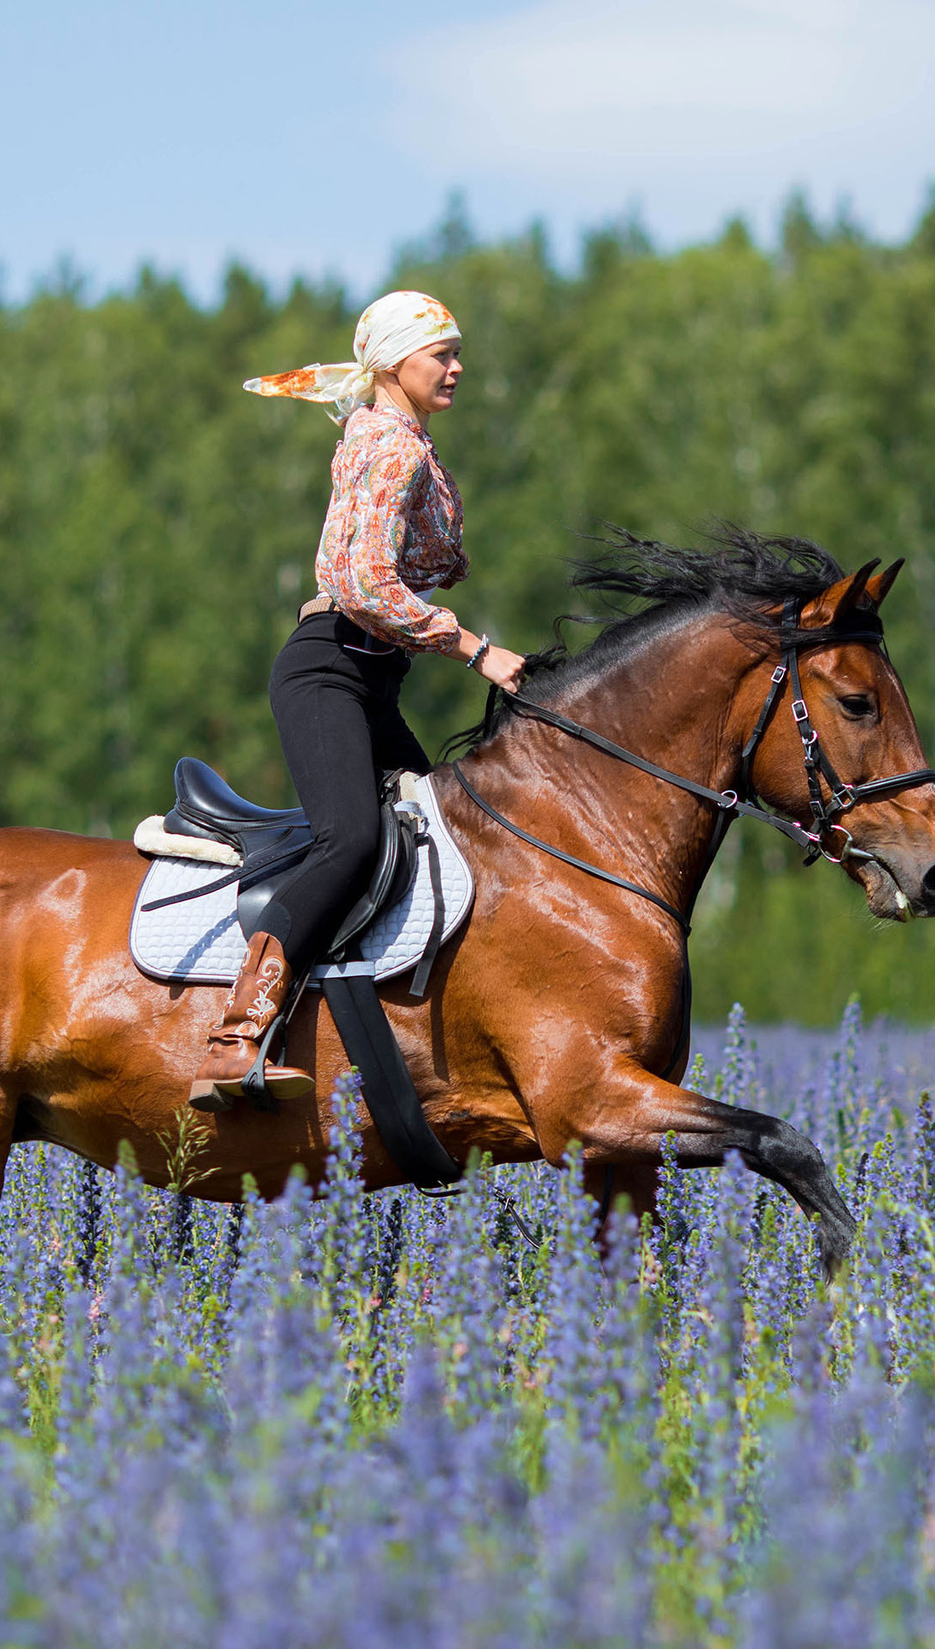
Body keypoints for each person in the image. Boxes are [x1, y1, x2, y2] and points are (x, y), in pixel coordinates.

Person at [188, 290, 528, 1111]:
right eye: (440, 353)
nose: (456, 366)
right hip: (329, 671)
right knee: (351, 842)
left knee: (448, 836)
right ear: (392, 364)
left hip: (369, 678)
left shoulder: (395, 441)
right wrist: (473, 646)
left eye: (456, 351)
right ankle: (238, 1034)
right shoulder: (393, 448)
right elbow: (361, 583)